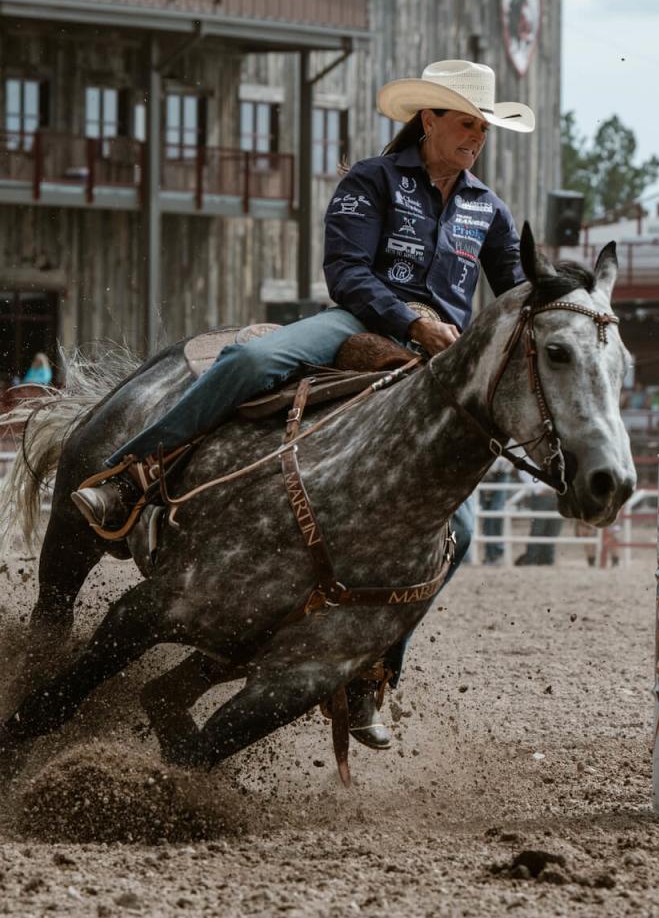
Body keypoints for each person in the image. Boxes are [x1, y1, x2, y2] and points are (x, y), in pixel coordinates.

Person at [71, 58, 535, 748]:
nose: (477, 136)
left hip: (436, 365)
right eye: (467, 121)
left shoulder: (487, 210)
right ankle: (133, 475)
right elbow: (346, 271)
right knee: (251, 358)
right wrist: (409, 322)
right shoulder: (371, 181)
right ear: (430, 118)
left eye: (484, 127)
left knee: (459, 532)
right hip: (364, 323)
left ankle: (373, 670)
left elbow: (519, 295)